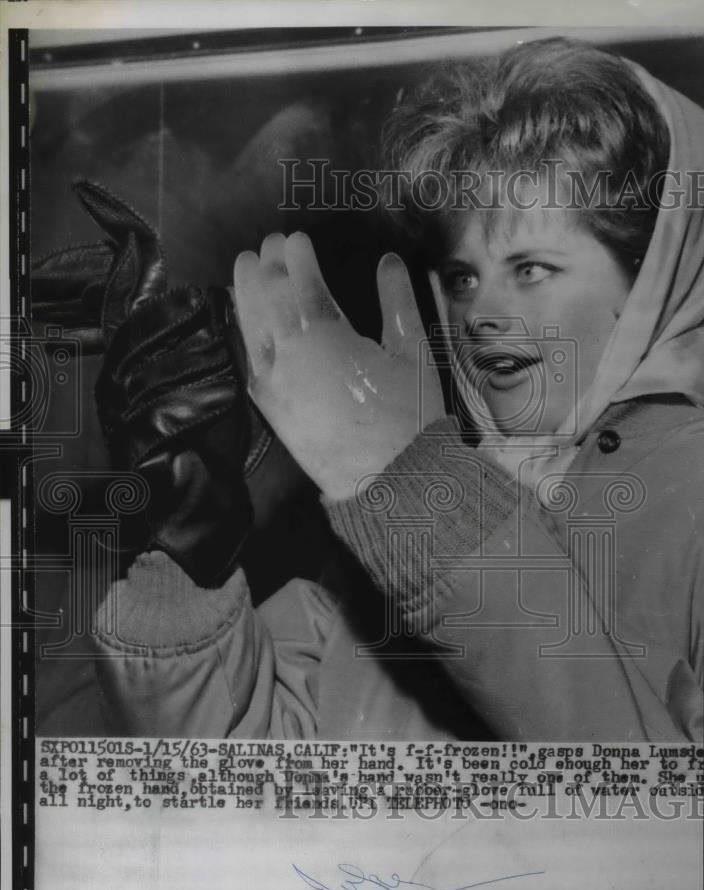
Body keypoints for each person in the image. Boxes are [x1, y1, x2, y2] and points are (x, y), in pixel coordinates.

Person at [91, 37, 704, 741]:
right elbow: (235, 776)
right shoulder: (384, 534)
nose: (482, 316)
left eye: (532, 268)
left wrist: (418, 493)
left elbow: (659, 826)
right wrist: (190, 553)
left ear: (652, 277)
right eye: (463, 277)